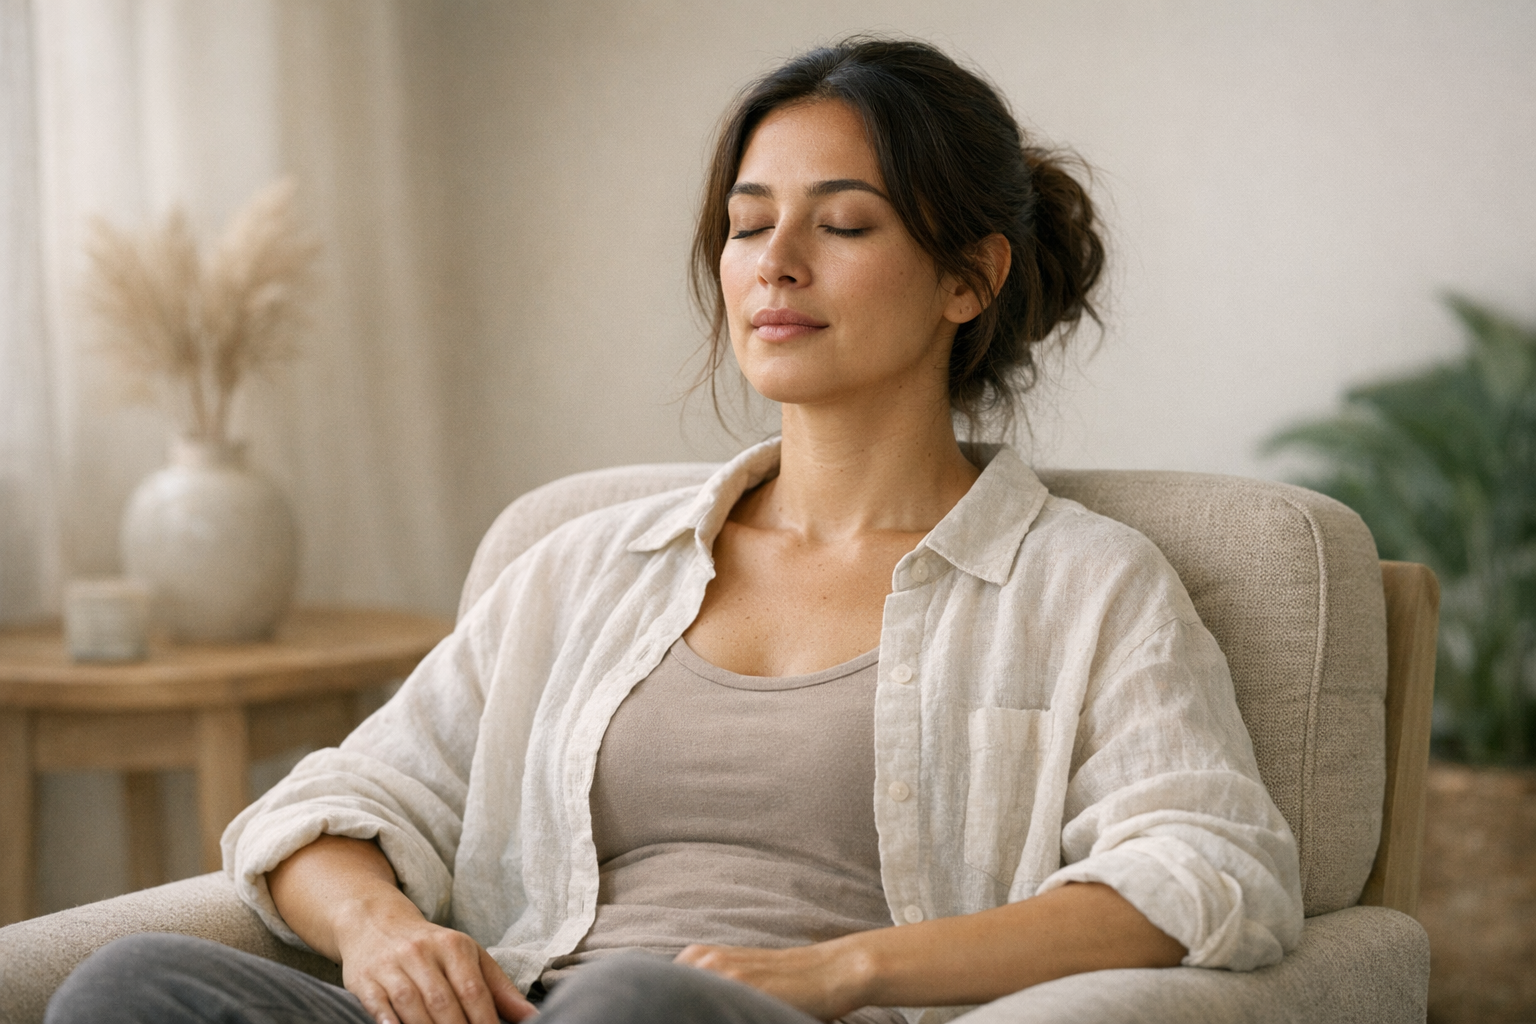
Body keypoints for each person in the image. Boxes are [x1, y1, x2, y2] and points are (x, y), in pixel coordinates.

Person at [47, 36, 1303, 1024]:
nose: (776, 262)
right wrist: (382, 927)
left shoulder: (1082, 587)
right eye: (749, 225)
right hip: (534, 1002)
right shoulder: (594, 562)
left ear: (968, 279)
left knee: (636, 1002)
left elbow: (1208, 867)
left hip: (752, 1018)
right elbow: (340, 799)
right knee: (130, 987)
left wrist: (840, 972)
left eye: (844, 223)